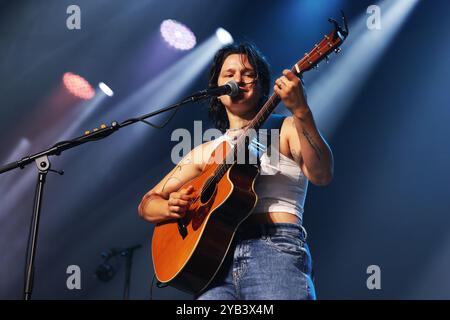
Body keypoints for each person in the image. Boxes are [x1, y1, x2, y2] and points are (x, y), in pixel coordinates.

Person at [138, 43, 333, 300]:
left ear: (262, 86)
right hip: (215, 263)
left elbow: (322, 174)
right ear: (217, 90)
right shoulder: (206, 151)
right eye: (228, 75)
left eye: (248, 74)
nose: (238, 80)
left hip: (275, 249)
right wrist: (170, 208)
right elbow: (147, 203)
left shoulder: (285, 128)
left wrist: (301, 111)